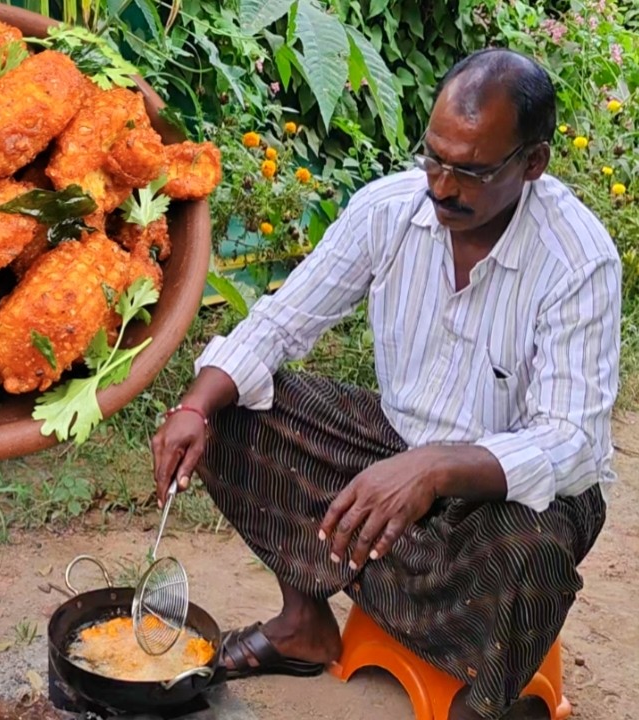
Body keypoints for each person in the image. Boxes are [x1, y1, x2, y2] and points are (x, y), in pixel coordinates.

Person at [151, 48, 619, 720]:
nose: (442, 186)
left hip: (510, 490)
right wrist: (194, 406)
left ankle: (491, 698)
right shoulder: (389, 211)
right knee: (234, 409)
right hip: (397, 439)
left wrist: (432, 470)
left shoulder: (577, 260)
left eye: (471, 171)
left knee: (533, 554)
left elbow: (571, 441)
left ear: (533, 164)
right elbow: (282, 324)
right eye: (433, 156)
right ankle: (303, 625)